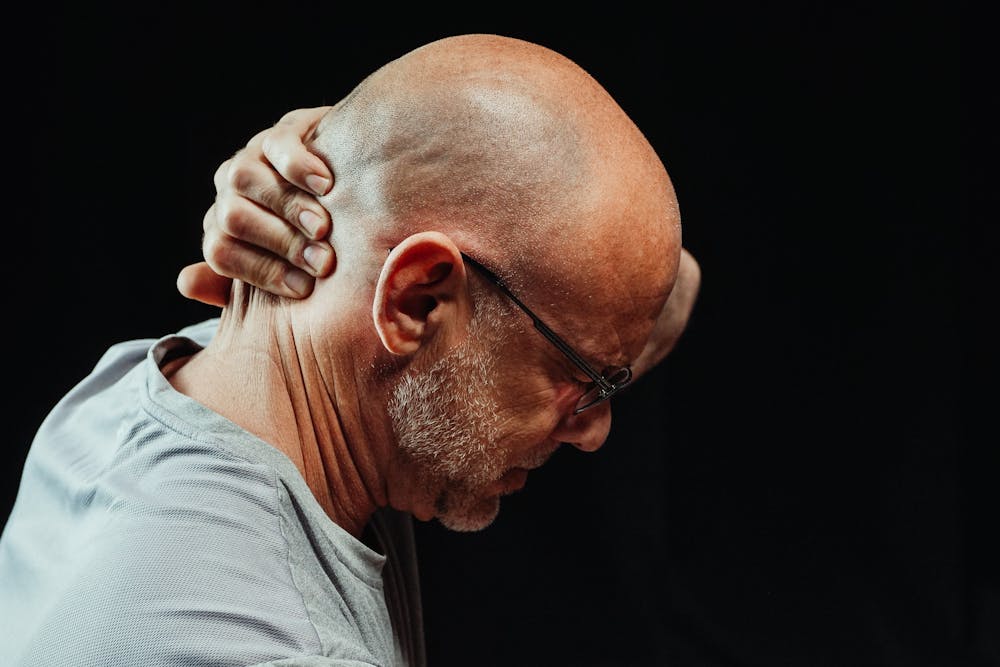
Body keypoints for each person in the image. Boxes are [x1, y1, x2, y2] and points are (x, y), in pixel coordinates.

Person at [0, 33, 700, 666]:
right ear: (416, 301)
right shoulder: (271, 646)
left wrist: (346, 170)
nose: (595, 430)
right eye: (586, 381)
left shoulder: (132, 391)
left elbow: (666, 286)